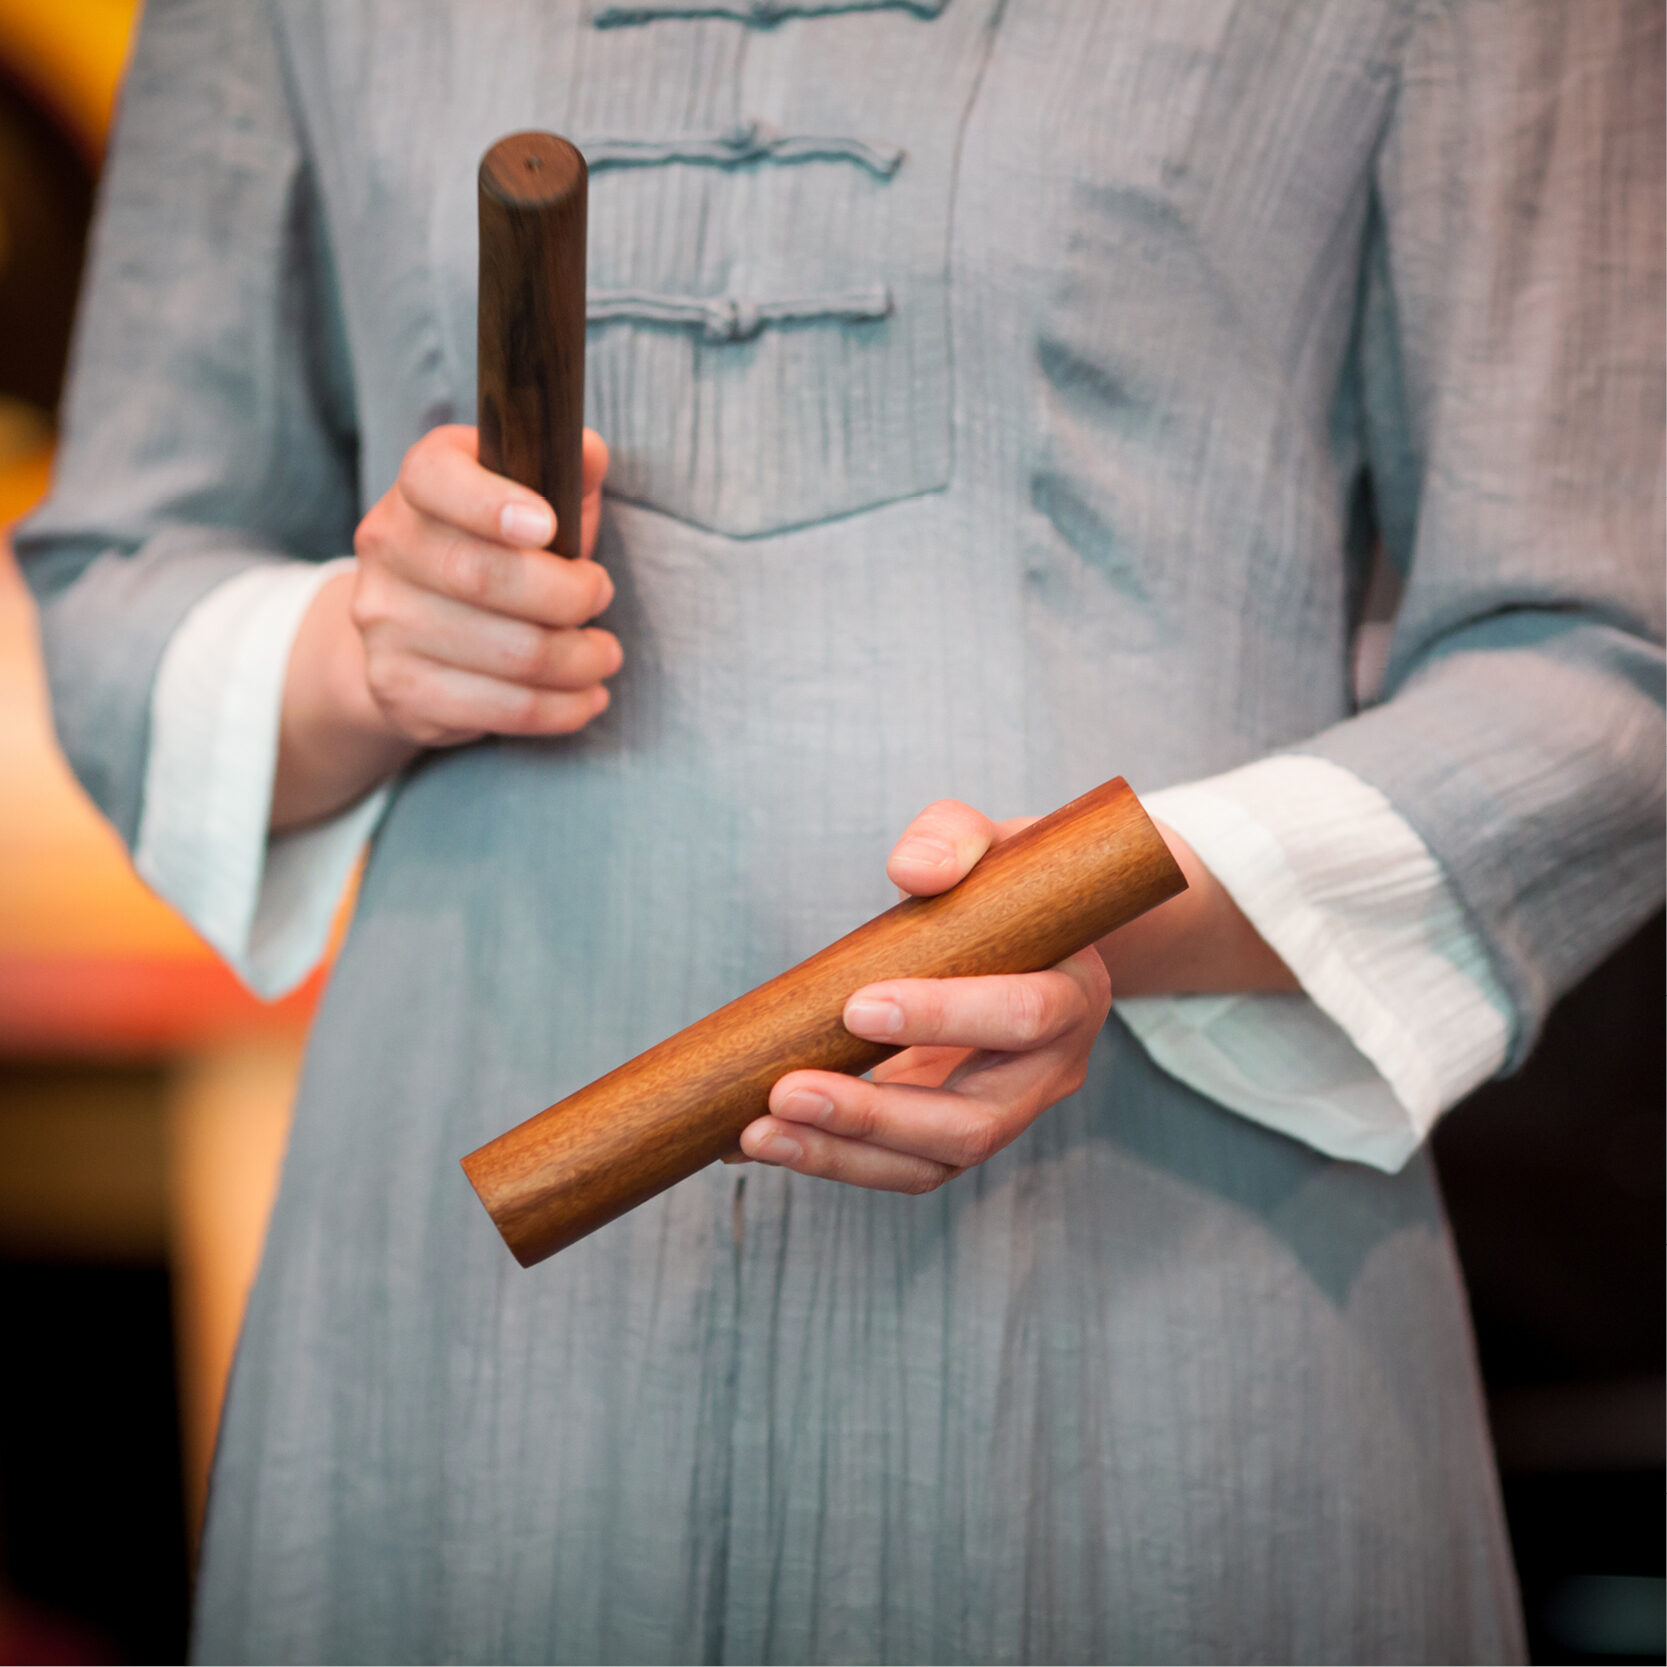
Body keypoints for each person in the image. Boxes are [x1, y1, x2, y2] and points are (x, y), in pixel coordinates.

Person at [18, 1, 1663, 1660]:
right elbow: (119, 572)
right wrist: (371, 648)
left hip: (1159, 1258)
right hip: (459, 1259)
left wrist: (1120, 915)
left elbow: (1607, 654)